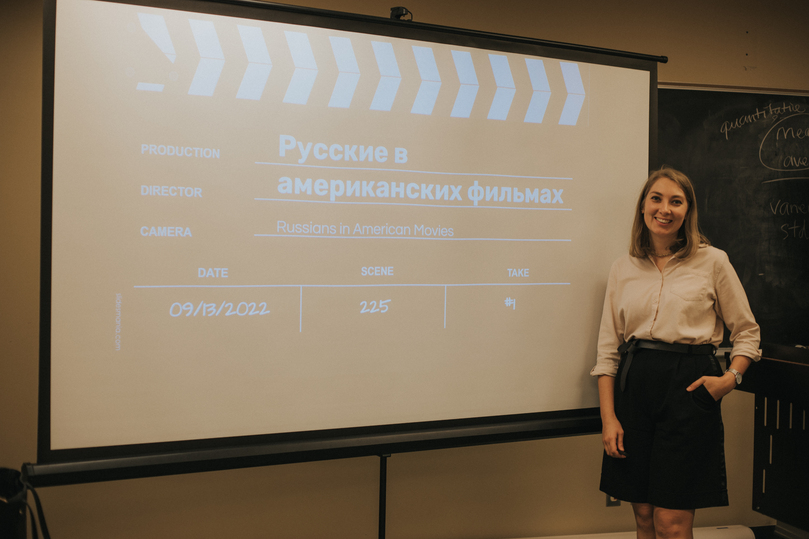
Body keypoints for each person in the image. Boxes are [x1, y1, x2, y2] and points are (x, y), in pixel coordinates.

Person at [591, 167, 760, 539]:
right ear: (643, 206)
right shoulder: (623, 268)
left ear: (688, 211)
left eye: (676, 201)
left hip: (689, 390)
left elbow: (747, 332)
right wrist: (608, 418)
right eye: (656, 198)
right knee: (644, 516)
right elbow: (607, 351)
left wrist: (729, 380)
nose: (664, 209)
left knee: (671, 523)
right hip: (634, 392)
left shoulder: (713, 261)